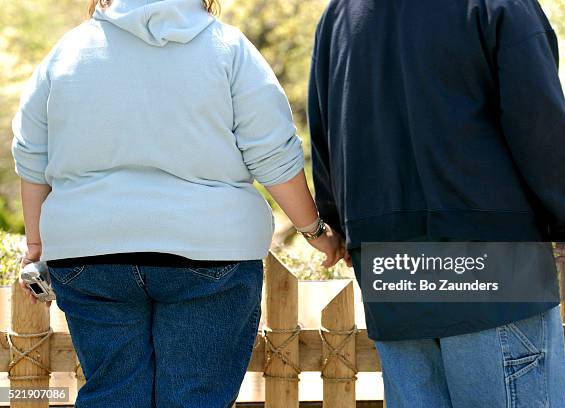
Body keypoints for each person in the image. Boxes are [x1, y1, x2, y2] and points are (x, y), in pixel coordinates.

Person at [11, 0, 345, 407]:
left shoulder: (67, 52)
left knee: (113, 394)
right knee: (194, 398)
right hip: (209, 252)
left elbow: (32, 155)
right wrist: (314, 230)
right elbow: (273, 154)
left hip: (90, 255)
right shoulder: (229, 48)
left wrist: (37, 242)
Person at [308, 0, 565, 406]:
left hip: (392, 267)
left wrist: (339, 224)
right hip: (492, 263)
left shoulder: (339, 14)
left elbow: (325, 130)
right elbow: (540, 122)